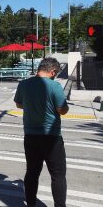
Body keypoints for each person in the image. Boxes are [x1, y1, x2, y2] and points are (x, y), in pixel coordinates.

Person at [14, 57, 69, 207]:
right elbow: (62, 109)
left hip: (31, 136)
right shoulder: (55, 86)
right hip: (52, 137)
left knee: (32, 172)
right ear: (52, 71)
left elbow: (19, 104)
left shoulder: (23, 84)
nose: (55, 76)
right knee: (58, 175)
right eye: (55, 73)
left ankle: (31, 204)